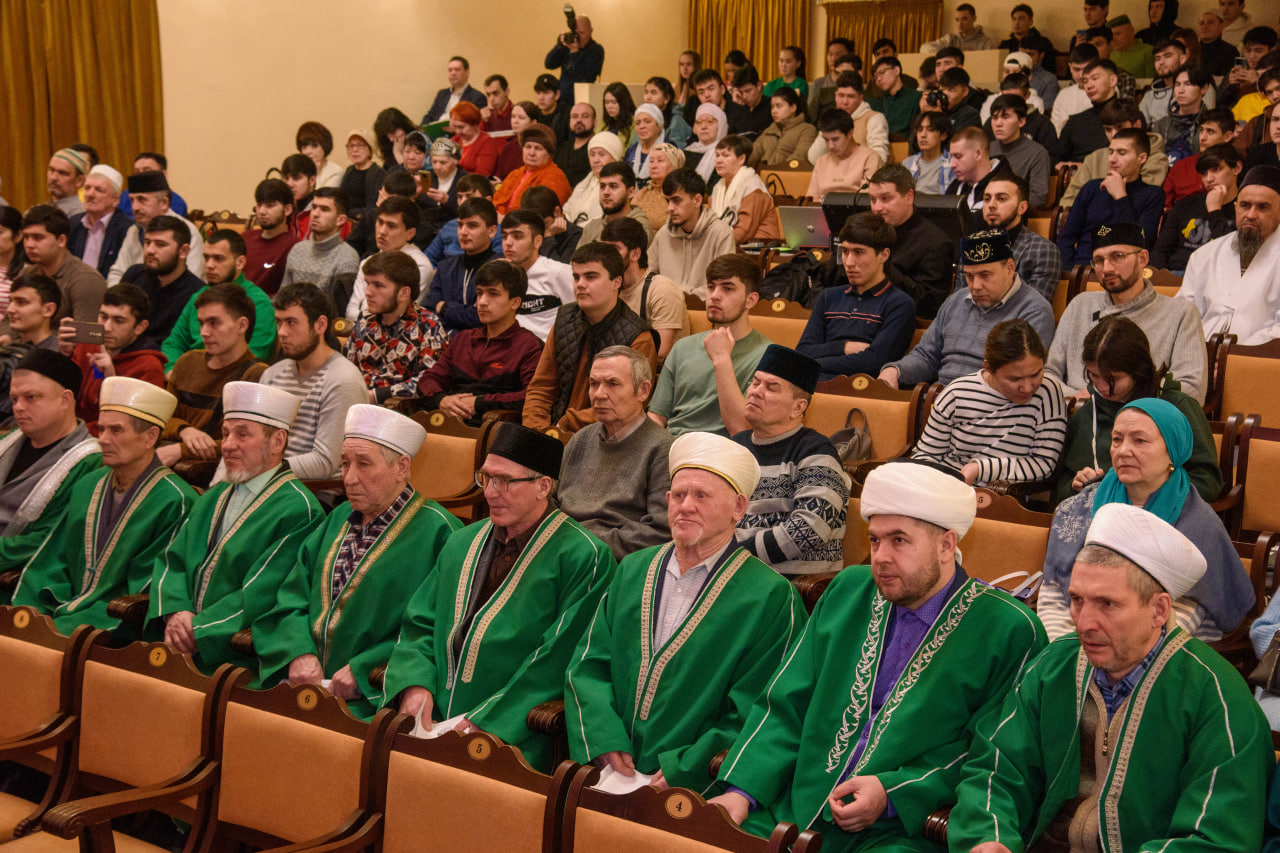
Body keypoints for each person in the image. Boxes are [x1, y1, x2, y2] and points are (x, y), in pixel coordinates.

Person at [708, 460, 1047, 847]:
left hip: (901, 830)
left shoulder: (1009, 629)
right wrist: (743, 790)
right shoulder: (849, 589)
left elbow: (991, 755)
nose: (881, 556)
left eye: (899, 540)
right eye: (874, 540)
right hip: (794, 804)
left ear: (946, 545)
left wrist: (893, 793)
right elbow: (786, 702)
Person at [948, 502, 1271, 853]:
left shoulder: (1217, 698)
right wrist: (989, 837)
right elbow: (994, 769)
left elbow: (1217, 839)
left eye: (1107, 604)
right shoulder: (1054, 666)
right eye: (1077, 599)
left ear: (1159, 610)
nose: (1084, 622)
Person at [566, 430, 805, 792]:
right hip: (609, 770)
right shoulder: (632, 569)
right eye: (678, 495)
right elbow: (588, 664)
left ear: (739, 508)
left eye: (701, 496)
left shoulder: (770, 597)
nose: (686, 506)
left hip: (695, 788)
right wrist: (603, 739)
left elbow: (760, 708)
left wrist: (686, 766)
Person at [383, 422, 615, 771]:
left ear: (543, 486)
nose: (491, 492)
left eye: (504, 481)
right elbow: (419, 623)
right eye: (486, 478)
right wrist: (414, 684)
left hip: (516, 735)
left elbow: (557, 661)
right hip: (429, 716)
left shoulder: (585, 557)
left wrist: (487, 721)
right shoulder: (462, 541)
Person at [252, 405, 460, 716]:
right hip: (299, 684)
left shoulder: (441, 533)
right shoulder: (338, 517)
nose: (348, 478)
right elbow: (291, 596)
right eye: (345, 463)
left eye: (364, 464)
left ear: (402, 467)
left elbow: (437, 631)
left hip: (374, 699)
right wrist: (298, 652)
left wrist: (365, 668)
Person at [1044, 397, 1252, 641]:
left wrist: (1106, 644)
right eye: (1117, 439)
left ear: (1172, 451)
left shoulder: (1198, 523)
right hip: (1077, 628)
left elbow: (1185, 611)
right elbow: (1054, 592)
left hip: (1156, 639)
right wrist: (1061, 645)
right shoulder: (1077, 508)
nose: (1123, 451)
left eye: (1140, 441)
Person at [150, 381, 321, 670]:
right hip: (178, 639)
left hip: (233, 657)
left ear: (277, 442)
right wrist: (176, 611)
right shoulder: (215, 495)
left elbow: (263, 593)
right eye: (226, 433)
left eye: (242, 434)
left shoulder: (299, 509)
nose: (228, 445)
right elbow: (173, 559)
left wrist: (198, 629)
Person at [11, 377, 194, 633]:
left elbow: (146, 588)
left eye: (116, 430)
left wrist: (62, 625)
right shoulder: (88, 484)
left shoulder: (176, 500)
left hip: (113, 625)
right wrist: (32, 613)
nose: (103, 439)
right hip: (63, 612)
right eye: (101, 429)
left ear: (150, 437)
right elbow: (52, 560)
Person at [1056, 314, 1221, 503]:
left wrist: (1148, 491)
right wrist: (1076, 485)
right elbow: (1063, 488)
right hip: (1098, 514)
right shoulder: (1087, 412)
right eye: (1094, 375)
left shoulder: (1177, 406)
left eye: (1114, 379)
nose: (1102, 387)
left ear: (1138, 370)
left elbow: (1208, 482)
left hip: (1161, 515)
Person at [1052, 220, 1208, 399]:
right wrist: (1075, 400)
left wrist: (1115, 399)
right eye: (1099, 260)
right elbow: (1049, 373)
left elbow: (1192, 389)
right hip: (1075, 408)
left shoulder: (1181, 313)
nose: (1107, 268)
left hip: (1143, 412)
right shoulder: (1080, 304)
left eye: (1117, 256)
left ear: (1143, 259)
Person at [881, 230, 1055, 388]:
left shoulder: (1034, 310)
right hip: (940, 399)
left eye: (985, 275)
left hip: (990, 404)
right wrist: (895, 371)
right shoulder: (955, 301)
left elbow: (1016, 377)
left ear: (1010, 268)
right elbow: (926, 356)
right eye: (969, 276)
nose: (976, 286)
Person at [732, 346, 850, 574]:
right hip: (732, 571)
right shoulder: (736, 446)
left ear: (798, 407)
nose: (756, 392)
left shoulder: (816, 452)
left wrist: (732, 555)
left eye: (771, 388)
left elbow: (809, 530)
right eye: (755, 383)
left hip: (789, 581)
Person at [521, 242, 657, 435]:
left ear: (616, 282)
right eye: (576, 277)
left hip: (606, 438)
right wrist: (538, 431)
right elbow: (541, 388)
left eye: (591, 277)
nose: (580, 284)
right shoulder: (564, 320)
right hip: (552, 433)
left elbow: (627, 405)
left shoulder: (639, 337)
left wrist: (565, 425)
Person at [912, 319, 1067, 486]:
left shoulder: (1047, 392)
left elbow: (1043, 464)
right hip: (948, 485)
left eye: (1036, 374)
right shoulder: (956, 394)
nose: (1028, 388)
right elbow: (925, 456)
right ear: (989, 368)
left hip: (1002, 493)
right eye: (1015, 379)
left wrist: (979, 469)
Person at [557, 346, 674, 559]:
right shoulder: (581, 438)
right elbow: (550, 502)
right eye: (594, 384)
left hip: (610, 560)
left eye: (613, 384)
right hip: (562, 550)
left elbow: (659, 531)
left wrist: (583, 544)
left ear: (643, 391)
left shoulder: (662, 449)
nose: (599, 395)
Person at [0, 350, 102, 577]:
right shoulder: (9, 440)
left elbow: (51, 539)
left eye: (31, 397)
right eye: (14, 399)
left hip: (19, 577)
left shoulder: (90, 462)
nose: (18, 407)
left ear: (65, 400)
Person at [650, 253, 770, 437]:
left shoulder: (767, 355)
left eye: (727, 289)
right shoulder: (682, 347)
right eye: (711, 287)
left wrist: (721, 358)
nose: (714, 296)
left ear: (751, 300)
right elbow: (657, 417)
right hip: (671, 445)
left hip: (722, 449)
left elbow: (741, 429)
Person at [262, 283, 369, 481]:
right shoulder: (271, 375)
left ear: (320, 325)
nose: (282, 332)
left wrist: (260, 469)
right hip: (265, 480)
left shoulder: (343, 381)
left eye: (291, 322)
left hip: (308, 491)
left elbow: (324, 462)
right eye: (279, 322)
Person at [416, 259, 543, 423]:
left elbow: (532, 396)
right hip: (450, 424)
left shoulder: (529, 346)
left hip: (494, 429)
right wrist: (441, 400)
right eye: (479, 293)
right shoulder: (463, 339)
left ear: (515, 302)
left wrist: (480, 403)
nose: (481, 302)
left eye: (493, 294)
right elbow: (428, 379)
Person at [156, 285, 267, 469]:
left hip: (217, 473)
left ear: (242, 325)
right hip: (173, 462)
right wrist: (185, 430)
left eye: (214, 323)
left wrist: (181, 450)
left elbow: (245, 443)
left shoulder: (257, 375)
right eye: (201, 323)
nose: (204, 332)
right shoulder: (187, 362)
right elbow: (162, 418)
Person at [797, 212, 915, 380]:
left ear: (884, 255)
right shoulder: (828, 297)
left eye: (859, 252)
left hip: (859, 388)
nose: (849, 262)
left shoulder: (900, 304)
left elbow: (874, 363)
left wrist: (812, 363)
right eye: (845, 251)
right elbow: (802, 351)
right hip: (811, 382)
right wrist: (844, 347)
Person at [1180, 165, 1280, 343]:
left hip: (1257, 357)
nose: (1251, 215)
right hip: (1198, 352)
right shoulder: (1205, 255)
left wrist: (1236, 354)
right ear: (1235, 207)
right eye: (1245, 205)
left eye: (1263, 207)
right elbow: (1182, 314)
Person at [58, 284, 165, 434]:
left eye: (119, 320)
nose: (107, 327)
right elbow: (61, 395)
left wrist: (112, 380)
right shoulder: (87, 344)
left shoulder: (149, 367)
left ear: (140, 327)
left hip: (101, 438)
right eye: (103, 317)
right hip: (68, 428)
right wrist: (63, 356)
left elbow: (133, 429)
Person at [345, 250, 447, 404]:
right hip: (357, 403)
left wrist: (377, 395)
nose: (368, 292)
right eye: (368, 284)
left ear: (404, 293)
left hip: (400, 410)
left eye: (378, 285)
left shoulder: (428, 325)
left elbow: (430, 382)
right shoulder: (364, 319)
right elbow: (348, 369)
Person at [163, 229, 277, 365]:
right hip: (190, 370)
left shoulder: (258, 302)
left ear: (240, 262)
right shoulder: (198, 297)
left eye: (218, 259)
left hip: (233, 374)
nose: (209, 265)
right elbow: (173, 343)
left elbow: (256, 354)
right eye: (206, 258)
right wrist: (172, 370)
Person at [1058, 130, 1163, 265]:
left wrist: (1120, 197)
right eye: (1111, 152)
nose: (1112, 159)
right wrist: (1067, 272)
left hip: (1123, 270)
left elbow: (1140, 243)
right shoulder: (1091, 188)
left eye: (1121, 153)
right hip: (1082, 268)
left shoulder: (1153, 195)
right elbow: (1067, 238)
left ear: (1141, 158)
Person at [863, 165, 956, 318]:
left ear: (909, 197)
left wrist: (882, 266)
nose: (877, 208)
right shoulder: (867, 233)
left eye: (885, 198)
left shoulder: (936, 243)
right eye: (873, 200)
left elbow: (930, 306)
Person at [956, 173, 1062, 301]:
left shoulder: (1042, 250)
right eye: (987, 199)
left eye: (1001, 199)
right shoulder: (972, 245)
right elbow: (958, 303)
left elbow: (1033, 307)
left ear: (1022, 208)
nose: (991, 205)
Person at [601, 216, 689, 364]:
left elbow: (660, 353)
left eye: (615, 249)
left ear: (636, 254)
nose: (606, 256)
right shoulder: (608, 287)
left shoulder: (662, 289)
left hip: (658, 373)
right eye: (604, 249)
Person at [1060, 98, 1171, 207]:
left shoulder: (1156, 159)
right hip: (1089, 217)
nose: (1113, 134)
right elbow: (1068, 200)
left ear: (1137, 125)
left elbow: (1142, 200)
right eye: (1108, 129)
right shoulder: (1094, 158)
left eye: (1119, 127)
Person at [344, 196, 436, 326]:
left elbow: (398, 315)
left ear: (410, 233)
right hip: (361, 330)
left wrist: (363, 316)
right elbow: (350, 312)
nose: (382, 231)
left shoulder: (419, 266)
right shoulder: (368, 262)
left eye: (391, 226)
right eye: (380, 222)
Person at [1153, 143, 1243, 271]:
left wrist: (1215, 211)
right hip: (1175, 273)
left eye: (1216, 169)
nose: (1209, 179)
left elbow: (1233, 255)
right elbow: (1160, 251)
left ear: (1237, 168)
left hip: (1217, 275)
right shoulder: (1185, 204)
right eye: (1204, 173)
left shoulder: (1246, 209)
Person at [648, 169, 736, 298]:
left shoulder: (721, 233)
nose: (669, 208)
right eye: (668, 201)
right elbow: (647, 277)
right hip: (666, 306)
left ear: (697, 200)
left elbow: (723, 285)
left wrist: (681, 295)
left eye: (676, 200)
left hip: (705, 308)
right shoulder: (663, 235)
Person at [119, 216, 204, 344]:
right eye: (147, 242)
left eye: (160, 244)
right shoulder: (134, 274)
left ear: (183, 251)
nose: (150, 250)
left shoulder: (196, 294)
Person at [16, 205, 105, 327]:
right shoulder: (27, 273)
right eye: (26, 237)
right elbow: (9, 321)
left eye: (38, 237)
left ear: (61, 240)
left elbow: (86, 334)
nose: (29, 244)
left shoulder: (86, 279)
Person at [495, 209, 573, 343]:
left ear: (537, 241)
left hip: (546, 349)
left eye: (517, 236)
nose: (508, 243)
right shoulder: (500, 275)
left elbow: (578, 317)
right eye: (504, 236)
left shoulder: (558, 272)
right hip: (508, 348)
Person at [280, 187, 360, 297]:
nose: (315, 214)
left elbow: (339, 305)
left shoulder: (347, 258)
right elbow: (282, 296)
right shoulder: (297, 249)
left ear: (340, 220)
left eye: (324, 209)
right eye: (314, 207)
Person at [807, 71, 892, 166]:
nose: (844, 102)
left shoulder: (874, 118)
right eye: (841, 95)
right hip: (834, 172)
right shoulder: (831, 119)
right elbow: (814, 158)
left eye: (851, 97)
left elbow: (879, 159)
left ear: (860, 98)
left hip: (863, 173)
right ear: (835, 96)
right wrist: (827, 126)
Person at [709, 136, 781, 245]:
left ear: (741, 159)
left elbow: (744, 231)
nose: (718, 160)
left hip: (758, 247)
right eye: (717, 155)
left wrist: (713, 245)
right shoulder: (717, 188)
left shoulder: (753, 187)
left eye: (725, 155)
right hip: (730, 245)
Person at [1161, 106, 1236, 207]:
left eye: (1210, 131)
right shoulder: (1180, 166)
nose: (1202, 137)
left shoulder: (1233, 166)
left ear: (1227, 136)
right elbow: (1164, 205)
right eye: (1201, 130)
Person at [67, 165, 133, 279]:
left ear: (115, 200)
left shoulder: (126, 229)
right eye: (87, 188)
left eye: (99, 190)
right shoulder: (74, 223)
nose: (90, 194)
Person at [988, 95, 1051, 209]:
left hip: (1018, 213)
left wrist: (1007, 208)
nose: (998, 123)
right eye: (994, 118)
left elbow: (1038, 198)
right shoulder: (987, 149)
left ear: (1021, 121)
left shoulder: (1037, 153)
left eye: (1005, 117)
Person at [494, 125, 572, 215]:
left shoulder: (555, 177)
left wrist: (504, 219)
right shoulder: (514, 174)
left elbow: (540, 215)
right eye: (528, 147)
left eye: (538, 148)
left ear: (549, 154)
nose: (531, 153)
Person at [240, 178, 300, 296]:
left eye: (270, 205)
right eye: (259, 205)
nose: (262, 211)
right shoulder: (245, 238)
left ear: (287, 209)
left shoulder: (294, 246)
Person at [806, 110, 881, 202]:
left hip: (855, 207)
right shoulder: (822, 160)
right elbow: (811, 198)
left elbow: (867, 197)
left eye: (835, 139)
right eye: (826, 140)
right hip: (822, 208)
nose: (830, 146)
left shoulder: (870, 157)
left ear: (850, 133)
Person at [580, 162, 653, 245]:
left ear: (630, 192)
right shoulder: (591, 227)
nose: (605, 192)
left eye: (613, 186)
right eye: (602, 186)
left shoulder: (640, 229)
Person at [1153, 64, 1213, 165]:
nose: (1181, 90)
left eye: (1188, 84)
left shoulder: (1210, 125)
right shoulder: (1161, 125)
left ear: (1204, 88)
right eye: (1177, 84)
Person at [944, 127, 1004, 220]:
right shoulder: (955, 187)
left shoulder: (1005, 187)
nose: (952, 164)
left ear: (978, 154)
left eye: (958, 156)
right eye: (951, 157)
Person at [544, 14, 605, 104]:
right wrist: (559, 45)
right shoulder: (568, 46)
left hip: (583, 100)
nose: (578, 37)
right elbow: (549, 64)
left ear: (591, 31)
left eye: (581, 33)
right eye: (575, 33)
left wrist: (575, 53)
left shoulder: (596, 50)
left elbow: (585, 77)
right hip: (562, 100)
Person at [564, 133, 621, 226]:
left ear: (614, 158)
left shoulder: (621, 184)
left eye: (601, 154)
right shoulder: (585, 182)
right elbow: (567, 211)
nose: (595, 160)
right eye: (592, 154)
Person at [116, 151, 189, 219]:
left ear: (163, 174)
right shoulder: (126, 195)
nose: (141, 176)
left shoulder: (176, 202)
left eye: (147, 171)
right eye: (137, 172)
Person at [1051, 44, 1102, 133]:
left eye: (1086, 69)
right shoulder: (1063, 95)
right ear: (1070, 67)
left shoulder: (1106, 91)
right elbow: (1055, 130)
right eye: (1077, 69)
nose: (1081, 75)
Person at [902, 112, 955, 196]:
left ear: (943, 135)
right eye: (920, 130)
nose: (923, 135)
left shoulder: (952, 163)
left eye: (930, 130)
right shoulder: (907, 163)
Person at [422, 56, 488, 125]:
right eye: (450, 70)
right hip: (435, 130)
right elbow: (430, 116)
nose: (453, 73)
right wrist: (421, 129)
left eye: (457, 70)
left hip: (457, 130)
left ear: (467, 72)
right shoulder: (442, 94)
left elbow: (474, 124)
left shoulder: (478, 97)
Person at [633, 143, 683, 230]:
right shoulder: (643, 193)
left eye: (660, 161)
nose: (654, 166)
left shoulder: (680, 194)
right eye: (651, 161)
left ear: (674, 166)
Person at [1141, 37, 1188, 126]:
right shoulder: (1150, 94)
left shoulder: (1197, 88)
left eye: (1167, 56)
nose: (1161, 62)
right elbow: (1139, 125)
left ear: (1182, 59)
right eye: (1157, 58)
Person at [449, 102, 503, 180]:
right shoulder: (455, 140)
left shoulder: (486, 143)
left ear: (474, 124)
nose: (457, 131)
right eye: (454, 126)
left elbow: (481, 177)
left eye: (461, 127)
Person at [494, 101, 544, 180]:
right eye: (513, 116)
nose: (515, 121)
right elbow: (499, 175)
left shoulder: (540, 147)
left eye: (521, 118)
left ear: (534, 123)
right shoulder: (508, 147)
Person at [339, 129, 386, 212]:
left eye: (360, 145)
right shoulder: (350, 170)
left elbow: (373, 206)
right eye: (351, 145)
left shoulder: (379, 173)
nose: (355, 150)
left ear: (370, 149)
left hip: (365, 217)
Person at [556, 103, 599, 189]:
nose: (579, 120)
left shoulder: (598, 149)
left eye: (585, 116)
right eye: (575, 116)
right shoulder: (562, 148)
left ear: (594, 122)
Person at [684, 102, 728, 185]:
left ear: (721, 125)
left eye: (709, 121)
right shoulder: (687, 152)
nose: (703, 126)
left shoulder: (727, 154)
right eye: (699, 122)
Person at [923, 2, 995, 53]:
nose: (960, 24)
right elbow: (925, 48)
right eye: (957, 20)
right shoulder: (951, 39)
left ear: (974, 19)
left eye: (964, 19)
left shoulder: (984, 42)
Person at [623, 103, 666, 187]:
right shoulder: (631, 150)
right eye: (638, 123)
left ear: (658, 125)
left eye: (647, 121)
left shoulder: (668, 149)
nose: (641, 126)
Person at [644, 75, 693, 148]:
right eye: (646, 92)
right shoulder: (643, 117)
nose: (648, 97)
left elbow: (676, 151)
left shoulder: (676, 120)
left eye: (653, 93)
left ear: (666, 98)